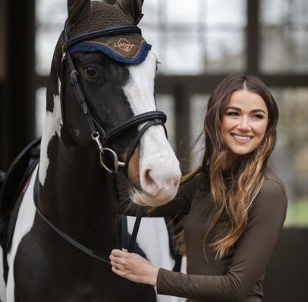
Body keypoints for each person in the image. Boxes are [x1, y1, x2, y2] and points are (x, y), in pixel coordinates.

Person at [109, 73, 287, 302]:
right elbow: (131, 203)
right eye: (234, 113)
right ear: (216, 119)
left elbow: (235, 288)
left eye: (257, 116)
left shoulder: (268, 191)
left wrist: (152, 275)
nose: (245, 126)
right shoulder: (205, 182)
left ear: (268, 125)